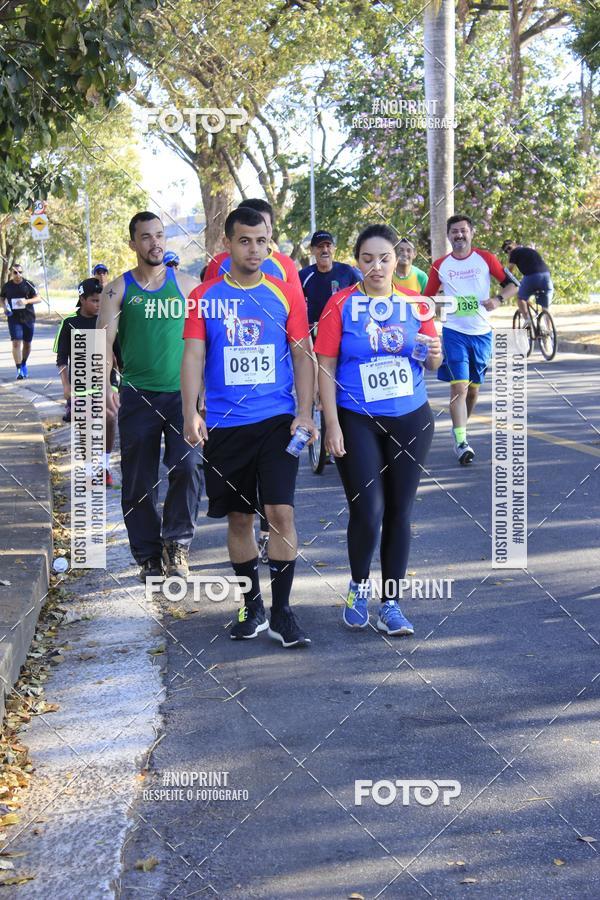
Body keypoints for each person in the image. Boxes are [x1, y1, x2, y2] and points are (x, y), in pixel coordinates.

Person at [181, 206, 317, 648]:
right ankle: (251, 605)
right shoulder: (204, 296)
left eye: (261, 241)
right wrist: (190, 412)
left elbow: (302, 354)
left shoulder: (286, 293)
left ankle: (282, 612)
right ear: (228, 244)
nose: (254, 250)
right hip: (225, 425)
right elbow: (194, 356)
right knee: (239, 518)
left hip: (277, 421)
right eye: (244, 241)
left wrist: (305, 412)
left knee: (280, 513)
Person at [315, 224, 441, 636]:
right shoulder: (339, 304)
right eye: (367, 259)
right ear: (357, 262)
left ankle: (391, 604)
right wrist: (331, 423)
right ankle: (358, 586)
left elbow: (433, 363)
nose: (377, 267)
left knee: (400, 512)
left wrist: (435, 351)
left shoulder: (416, 305)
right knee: (368, 510)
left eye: (384, 258)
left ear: (396, 260)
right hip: (356, 418)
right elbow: (325, 366)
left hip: (411, 417)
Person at [97, 211, 203, 581]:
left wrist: (205, 394)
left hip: (182, 396)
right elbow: (103, 344)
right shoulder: (117, 290)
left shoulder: (188, 285)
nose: (154, 243)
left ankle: (177, 544)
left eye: (159, 235)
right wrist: (106, 386)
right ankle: (148, 556)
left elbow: (205, 342)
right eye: (146, 237)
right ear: (133, 244)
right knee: (138, 480)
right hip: (137, 396)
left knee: (188, 467)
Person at [424, 215, 517, 465]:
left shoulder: (485, 258)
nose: (459, 235)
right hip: (454, 332)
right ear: (448, 235)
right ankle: (461, 441)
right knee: (459, 387)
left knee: (473, 391)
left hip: (482, 333)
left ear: (471, 233)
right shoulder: (440, 265)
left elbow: (512, 285)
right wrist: (438, 306)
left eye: (463, 230)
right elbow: (426, 299)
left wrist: (498, 299)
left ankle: (461, 427)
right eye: (454, 231)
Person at [53, 278, 118, 485]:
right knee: (85, 425)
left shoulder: (108, 321)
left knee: (110, 418)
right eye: (94, 301)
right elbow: (61, 359)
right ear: (82, 299)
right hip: (81, 384)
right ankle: (90, 469)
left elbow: (119, 356)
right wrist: (66, 385)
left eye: (101, 301)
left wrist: (123, 384)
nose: (99, 305)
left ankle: (105, 466)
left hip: (106, 382)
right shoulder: (69, 323)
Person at [203, 198, 303, 296]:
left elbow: (296, 302)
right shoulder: (218, 263)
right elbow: (205, 298)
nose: (258, 234)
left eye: (265, 229)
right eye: (246, 239)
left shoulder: (285, 264)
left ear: (271, 230)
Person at [299, 231, 360, 333]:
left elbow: (362, 296)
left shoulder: (347, 271)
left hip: (342, 331)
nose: (325, 250)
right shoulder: (304, 275)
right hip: (315, 334)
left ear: (334, 248)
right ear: (312, 250)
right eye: (320, 246)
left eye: (328, 246)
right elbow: (294, 305)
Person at [1, 263, 41, 379]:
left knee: (27, 344)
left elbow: (38, 298)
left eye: (20, 272)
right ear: (11, 273)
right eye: (15, 272)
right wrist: (4, 307)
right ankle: (19, 370)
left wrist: (26, 301)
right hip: (13, 318)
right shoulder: (7, 286)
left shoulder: (29, 284)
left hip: (28, 317)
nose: (18, 274)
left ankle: (23, 363)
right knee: (16, 342)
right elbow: (1, 298)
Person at [501, 239, 553, 323]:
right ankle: (549, 329)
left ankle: (527, 320)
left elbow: (509, 270)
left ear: (514, 245)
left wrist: (507, 281)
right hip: (546, 275)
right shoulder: (530, 250)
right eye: (506, 251)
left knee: (520, 298)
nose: (508, 251)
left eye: (509, 248)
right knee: (545, 307)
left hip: (532, 276)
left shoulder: (515, 252)